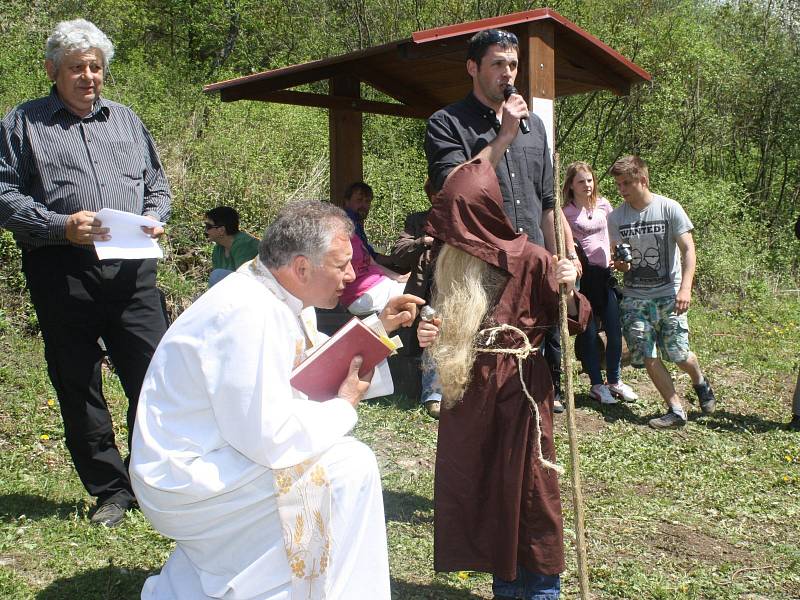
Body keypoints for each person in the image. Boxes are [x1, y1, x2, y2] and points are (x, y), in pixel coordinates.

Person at [131, 200, 422, 600]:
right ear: (302, 267)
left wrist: (381, 326)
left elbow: (309, 364)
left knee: (342, 462)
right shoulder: (248, 313)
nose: (353, 275)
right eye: (342, 265)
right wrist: (344, 407)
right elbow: (270, 438)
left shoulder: (272, 293)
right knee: (349, 467)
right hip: (188, 477)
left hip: (215, 453)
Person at [0, 19, 171, 527]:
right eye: (77, 67)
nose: (88, 76)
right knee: (79, 382)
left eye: (95, 67)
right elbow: (5, 195)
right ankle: (110, 490)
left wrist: (156, 219)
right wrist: (59, 227)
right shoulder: (23, 123)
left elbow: (157, 187)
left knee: (155, 376)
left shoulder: (126, 120)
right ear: (53, 70)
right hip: (62, 269)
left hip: (133, 270)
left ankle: (153, 478)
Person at [417, 160, 590, 600]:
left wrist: (568, 287)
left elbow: (573, 320)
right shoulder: (450, 260)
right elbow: (440, 321)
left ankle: (541, 591)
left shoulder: (532, 257)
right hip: (471, 395)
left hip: (520, 393)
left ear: (480, 214)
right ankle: (505, 588)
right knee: (488, 490)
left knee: (532, 491)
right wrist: (428, 331)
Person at [424, 28, 581, 414]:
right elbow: (454, 191)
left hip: (530, 266)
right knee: (478, 376)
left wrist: (564, 256)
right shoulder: (446, 123)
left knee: (524, 374)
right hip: (476, 269)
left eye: (512, 65)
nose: (508, 73)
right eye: (497, 64)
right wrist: (504, 135)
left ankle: (521, 452)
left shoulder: (536, 127)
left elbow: (547, 204)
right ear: (472, 67)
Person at [608, 155, 716, 429]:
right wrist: (620, 264)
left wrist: (686, 288)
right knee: (648, 355)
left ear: (642, 180)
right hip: (635, 297)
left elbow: (688, 249)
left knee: (679, 354)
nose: (621, 189)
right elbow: (623, 261)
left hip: (669, 294)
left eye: (626, 183)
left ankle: (700, 382)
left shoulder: (669, 208)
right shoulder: (616, 217)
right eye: (619, 184)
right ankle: (676, 409)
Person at [562, 161, 638, 404]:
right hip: (584, 280)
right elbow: (564, 242)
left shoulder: (604, 205)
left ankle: (614, 381)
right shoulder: (567, 212)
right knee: (589, 332)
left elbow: (614, 234)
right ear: (571, 186)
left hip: (605, 275)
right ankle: (596, 384)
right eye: (581, 181)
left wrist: (619, 255)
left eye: (590, 180)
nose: (587, 185)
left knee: (615, 331)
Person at [386, 179, 440, 417]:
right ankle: (430, 395)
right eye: (437, 192)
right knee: (421, 340)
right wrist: (423, 242)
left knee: (439, 336)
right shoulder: (417, 221)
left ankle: (437, 394)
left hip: (449, 290)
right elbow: (398, 253)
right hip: (420, 291)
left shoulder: (462, 221)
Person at [203, 206, 259, 286]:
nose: (205, 230)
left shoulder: (244, 245)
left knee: (216, 275)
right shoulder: (218, 249)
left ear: (221, 230)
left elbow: (246, 281)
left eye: (208, 226)